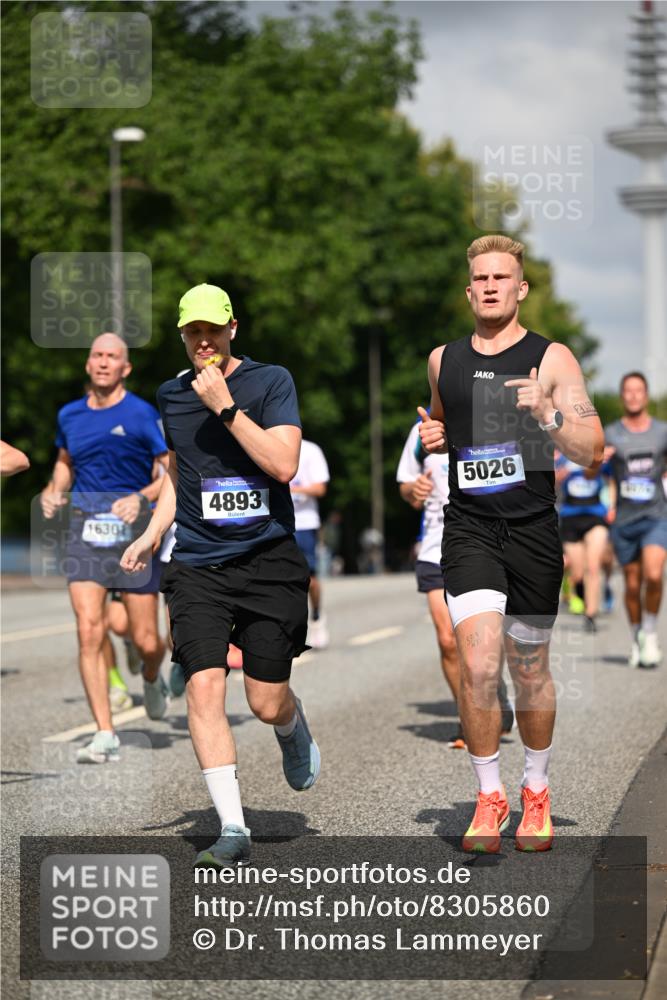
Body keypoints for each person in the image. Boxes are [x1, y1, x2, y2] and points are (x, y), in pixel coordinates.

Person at [121, 283, 319, 868]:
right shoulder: (170, 395)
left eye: (212, 329)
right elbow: (182, 477)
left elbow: (283, 465)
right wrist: (153, 533)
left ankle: (291, 725)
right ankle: (233, 827)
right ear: (182, 336)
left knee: (263, 701)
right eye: (192, 332)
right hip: (199, 563)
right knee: (204, 683)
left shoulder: (270, 381)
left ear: (234, 327)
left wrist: (226, 408)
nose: (203, 340)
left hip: (268, 560)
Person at [418, 235, 603, 853]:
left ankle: (537, 788)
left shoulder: (552, 359)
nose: (491, 286)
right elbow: (444, 419)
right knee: (477, 664)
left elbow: (593, 449)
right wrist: (437, 436)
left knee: (528, 669)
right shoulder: (442, 359)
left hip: (531, 532)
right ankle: (489, 793)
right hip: (470, 529)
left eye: (503, 277)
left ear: (520, 288)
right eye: (481, 278)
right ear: (468, 289)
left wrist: (548, 416)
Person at [40, 333, 170, 763]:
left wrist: (143, 498)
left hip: (133, 534)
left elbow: (171, 470)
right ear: (88, 364)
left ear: (125, 368)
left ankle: (151, 676)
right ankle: (105, 731)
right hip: (85, 530)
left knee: (149, 641)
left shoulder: (141, 414)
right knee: (89, 629)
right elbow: (64, 462)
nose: (102, 362)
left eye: (112, 356)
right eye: (97, 354)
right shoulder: (69, 414)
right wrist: (54, 489)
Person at [397, 416, 514, 749]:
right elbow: (406, 486)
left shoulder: (493, 420)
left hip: (487, 546)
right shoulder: (423, 430)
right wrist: (413, 491)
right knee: (448, 639)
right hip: (436, 546)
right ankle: (470, 719)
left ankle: (491, 690)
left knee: (487, 638)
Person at [605, 372, 667, 668]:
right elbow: (593, 471)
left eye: (638, 391)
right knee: (631, 585)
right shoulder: (611, 432)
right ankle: (637, 636)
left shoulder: (662, 431)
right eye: (627, 391)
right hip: (625, 520)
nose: (633, 396)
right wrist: (598, 460)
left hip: (656, 515)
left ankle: (652, 633)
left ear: (645, 395)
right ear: (622, 396)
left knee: (653, 575)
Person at [555, 454, 610, 632]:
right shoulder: (560, 460)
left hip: (595, 517)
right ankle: (584, 598)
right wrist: (560, 474)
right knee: (577, 573)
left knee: (593, 566)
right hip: (570, 519)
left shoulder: (596, 457)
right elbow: (550, 482)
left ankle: (591, 614)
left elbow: (609, 475)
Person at [290, 440, 330, 648]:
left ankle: (316, 616)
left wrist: (292, 489)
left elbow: (320, 488)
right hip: (277, 523)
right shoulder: (269, 443)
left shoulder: (311, 450)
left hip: (305, 523)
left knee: (309, 579)